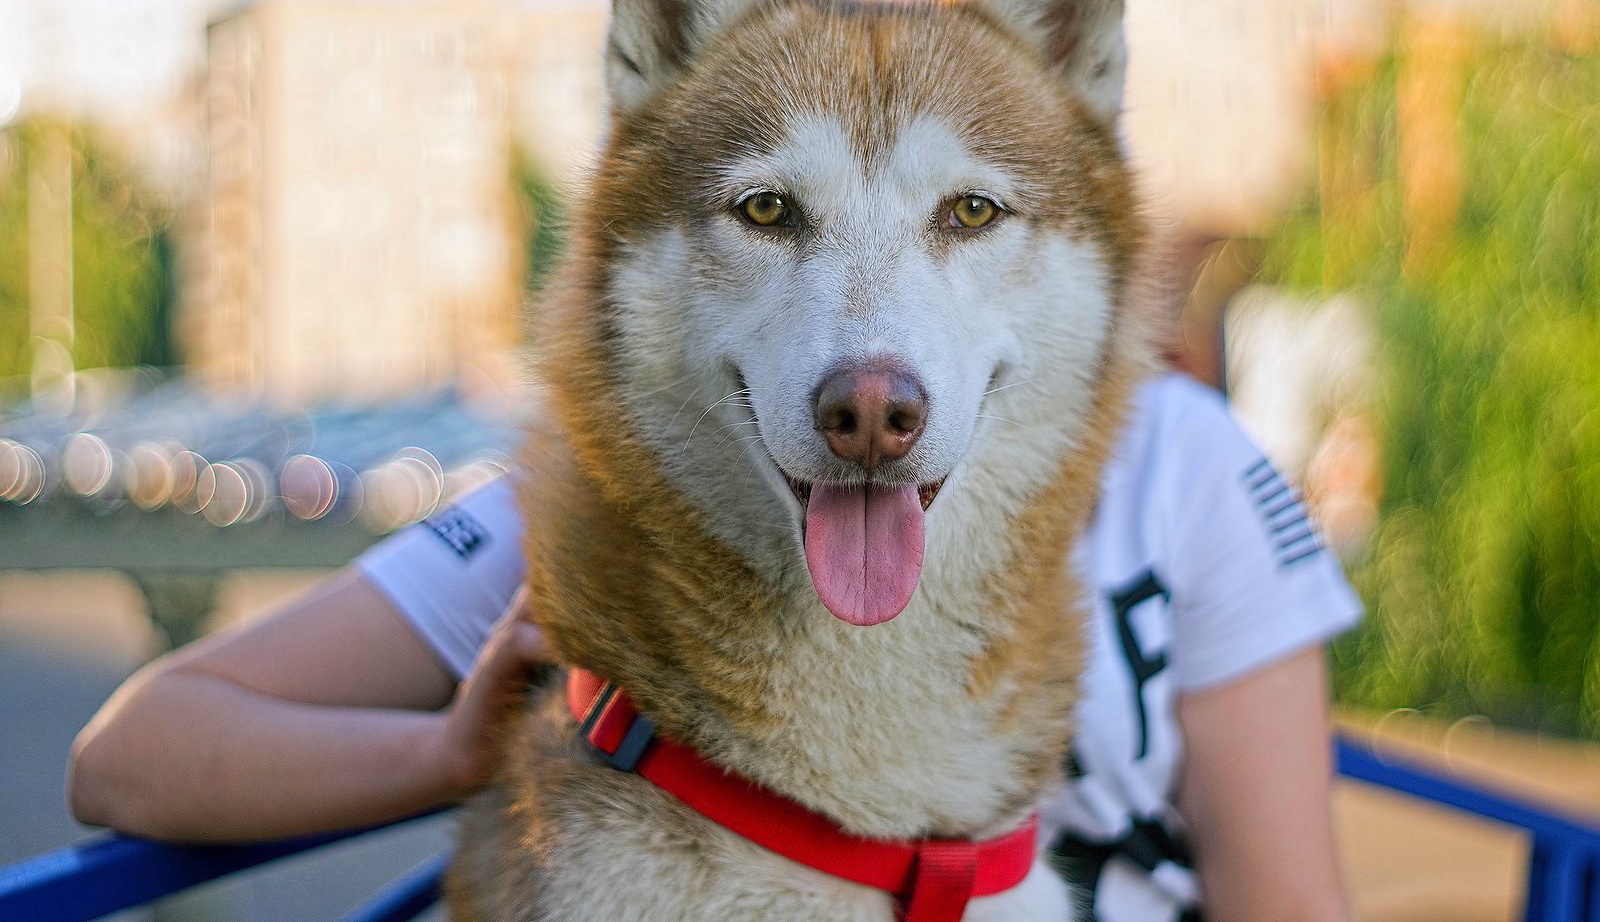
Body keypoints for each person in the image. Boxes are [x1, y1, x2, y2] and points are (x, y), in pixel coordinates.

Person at [68, 371, 1360, 922]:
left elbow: (1285, 903)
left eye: (958, 210)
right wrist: (454, 749)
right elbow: (139, 758)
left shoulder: (1177, 451)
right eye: (785, 212)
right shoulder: (637, 472)